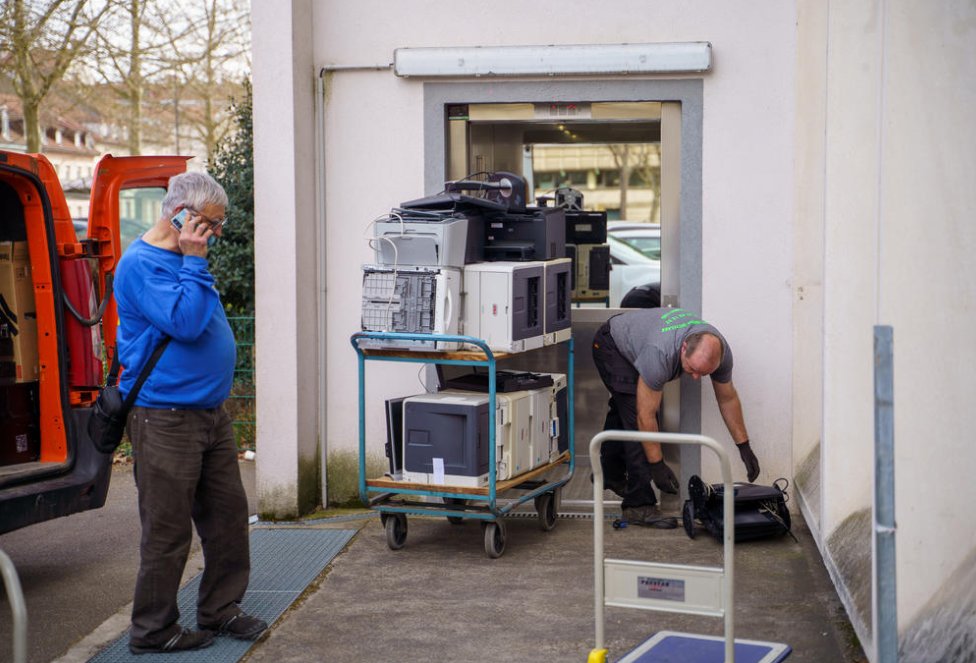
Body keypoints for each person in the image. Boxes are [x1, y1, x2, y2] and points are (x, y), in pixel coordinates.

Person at [115, 171, 267, 654]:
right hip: (164, 417)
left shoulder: (186, 259)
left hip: (209, 414)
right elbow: (184, 323)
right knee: (168, 527)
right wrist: (196, 260)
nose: (217, 234)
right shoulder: (141, 265)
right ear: (183, 215)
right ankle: (153, 630)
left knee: (227, 516)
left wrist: (194, 261)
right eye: (213, 224)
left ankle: (220, 608)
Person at [591, 307, 761, 524]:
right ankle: (638, 506)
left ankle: (610, 472)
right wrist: (657, 465)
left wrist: (744, 447)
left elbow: (727, 398)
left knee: (625, 410)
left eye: (704, 373)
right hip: (612, 344)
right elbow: (645, 416)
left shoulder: (720, 352)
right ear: (683, 349)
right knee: (637, 419)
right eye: (692, 369)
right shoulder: (659, 354)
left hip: (637, 339)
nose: (697, 377)